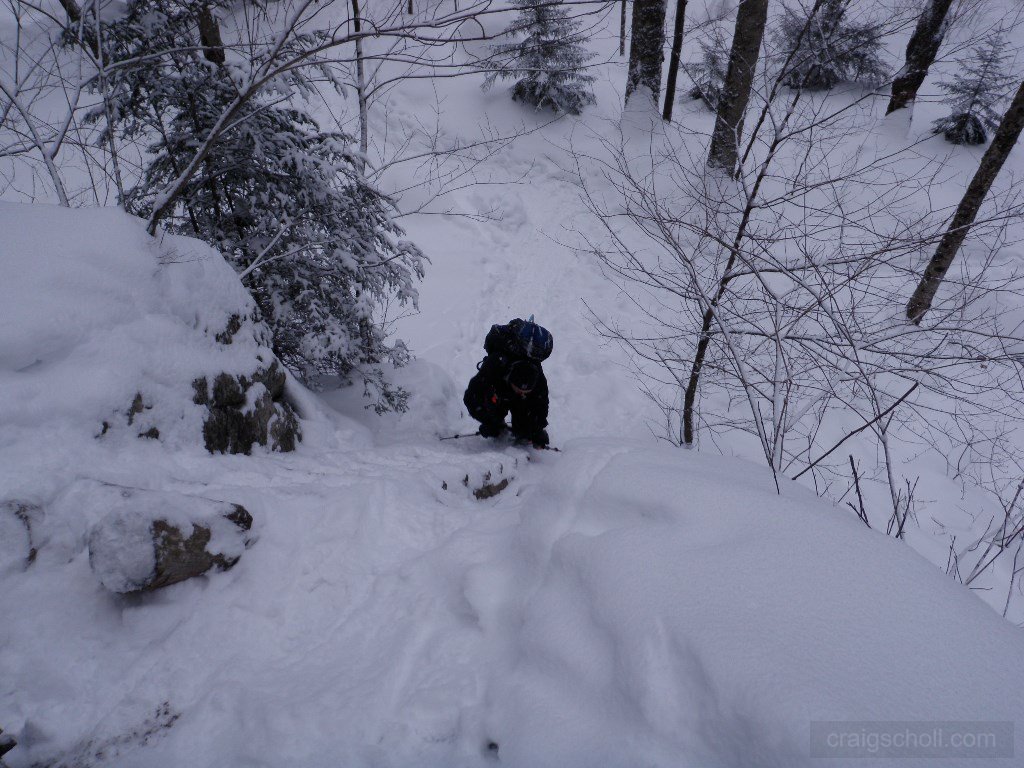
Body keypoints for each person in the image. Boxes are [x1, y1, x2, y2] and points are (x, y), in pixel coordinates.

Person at [464, 317, 552, 448]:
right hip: (498, 389)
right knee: (495, 415)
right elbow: (472, 397)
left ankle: (522, 429)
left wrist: (537, 431)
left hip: (512, 390)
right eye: (520, 390)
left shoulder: (538, 377)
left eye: (525, 392)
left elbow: (541, 403)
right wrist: (489, 421)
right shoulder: (495, 365)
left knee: (524, 429)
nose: (522, 393)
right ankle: (497, 423)